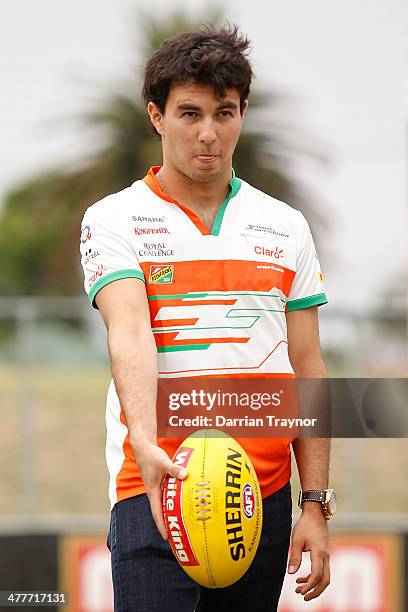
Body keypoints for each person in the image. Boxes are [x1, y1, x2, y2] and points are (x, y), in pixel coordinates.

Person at [80, 23, 334, 612]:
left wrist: (315, 503)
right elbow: (130, 332)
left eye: (224, 113)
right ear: (156, 116)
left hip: (258, 498)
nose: (208, 134)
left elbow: (308, 366)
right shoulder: (114, 219)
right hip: (155, 485)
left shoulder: (286, 226)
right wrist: (144, 442)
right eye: (189, 113)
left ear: (243, 112)